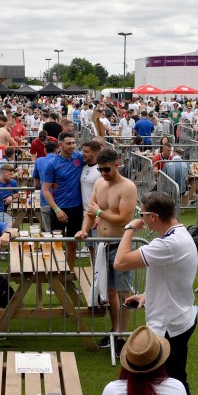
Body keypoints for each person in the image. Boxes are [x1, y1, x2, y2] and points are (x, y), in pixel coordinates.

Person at [114, 191, 198, 395]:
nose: (141, 220)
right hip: (177, 318)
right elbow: (172, 280)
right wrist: (147, 296)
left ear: (152, 216)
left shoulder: (169, 243)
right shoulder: (177, 236)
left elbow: (121, 262)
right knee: (171, 381)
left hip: (170, 326)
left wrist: (129, 227)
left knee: (171, 384)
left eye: (142, 215)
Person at [76, 148, 138, 350]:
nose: (103, 173)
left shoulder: (128, 187)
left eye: (106, 169)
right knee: (111, 293)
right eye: (100, 169)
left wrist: (100, 212)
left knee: (122, 293)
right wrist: (84, 230)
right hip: (102, 245)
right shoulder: (99, 182)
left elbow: (124, 220)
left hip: (120, 245)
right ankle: (115, 330)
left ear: (117, 165)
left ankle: (122, 337)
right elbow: (90, 212)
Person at [41, 131, 84, 271]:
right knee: (57, 244)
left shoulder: (79, 157)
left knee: (72, 244)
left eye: (74, 143)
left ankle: (69, 276)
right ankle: (57, 275)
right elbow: (45, 190)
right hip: (59, 209)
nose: (73, 146)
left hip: (76, 208)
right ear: (60, 144)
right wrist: (56, 209)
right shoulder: (52, 163)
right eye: (69, 143)